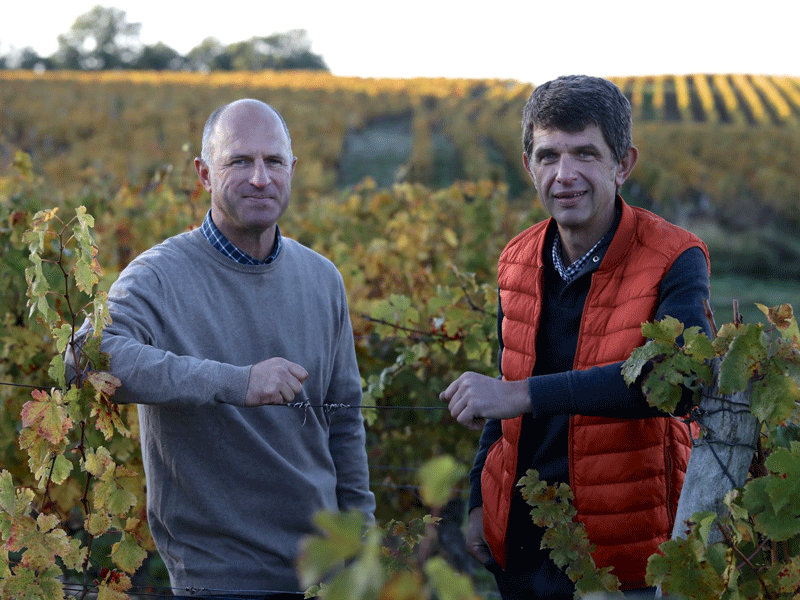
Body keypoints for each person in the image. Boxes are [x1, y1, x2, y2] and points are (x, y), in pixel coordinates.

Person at [71, 98, 375, 598]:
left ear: (292, 170)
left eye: (273, 161)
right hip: (218, 578)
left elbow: (343, 418)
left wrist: (359, 535)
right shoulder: (159, 275)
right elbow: (84, 358)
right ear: (204, 174)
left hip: (325, 572)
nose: (260, 178)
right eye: (239, 161)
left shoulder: (322, 278)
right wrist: (237, 381)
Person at [440, 75, 711, 599]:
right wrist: (479, 498)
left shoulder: (675, 257)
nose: (564, 175)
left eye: (585, 154)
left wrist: (524, 395)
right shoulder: (516, 260)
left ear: (623, 164)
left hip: (621, 559)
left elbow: (681, 382)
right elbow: (506, 381)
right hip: (522, 548)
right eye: (548, 156)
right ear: (529, 167)